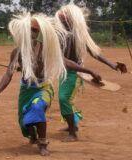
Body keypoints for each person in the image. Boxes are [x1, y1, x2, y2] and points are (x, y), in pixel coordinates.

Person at [0, 11, 102, 156]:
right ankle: (33, 135)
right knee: (26, 123)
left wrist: (89, 71)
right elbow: (8, 73)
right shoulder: (17, 52)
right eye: (29, 29)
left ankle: (42, 144)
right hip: (26, 90)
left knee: (37, 108)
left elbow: (65, 62)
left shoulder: (46, 48)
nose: (32, 33)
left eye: (35, 30)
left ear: (40, 32)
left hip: (44, 88)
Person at [54, 3, 127, 142]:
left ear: (70, 20)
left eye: (64, 19)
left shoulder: (77, 35)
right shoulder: (61, 35)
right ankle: (72, 125)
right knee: (67, 99)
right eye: (61, 19)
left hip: (75, 74)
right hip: (65, 72)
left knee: (64, 99)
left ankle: (73, 133)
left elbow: (94, 53)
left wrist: (112, 65)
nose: (61, 21)